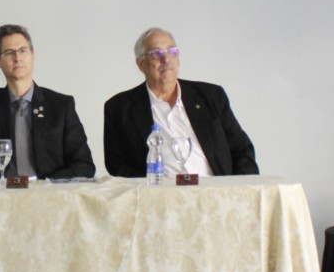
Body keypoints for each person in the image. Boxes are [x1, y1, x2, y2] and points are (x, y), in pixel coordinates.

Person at [102, 27, 257, 178]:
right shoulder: (119, 108)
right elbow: (116, 164)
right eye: (156, 53)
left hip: (214, 189)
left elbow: (242, 150)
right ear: (141, 64)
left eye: (172, 51)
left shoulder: (211, 96)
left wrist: (239, 188)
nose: (166, 59)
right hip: (158, 192)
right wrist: (151, 188)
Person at [0, 24, 95, 181]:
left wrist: (47, 184)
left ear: (33, 54)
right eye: (9, 52)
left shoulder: (61, 105)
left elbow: (84, 165)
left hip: (47, 192)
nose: (17, 58)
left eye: (23, 50)